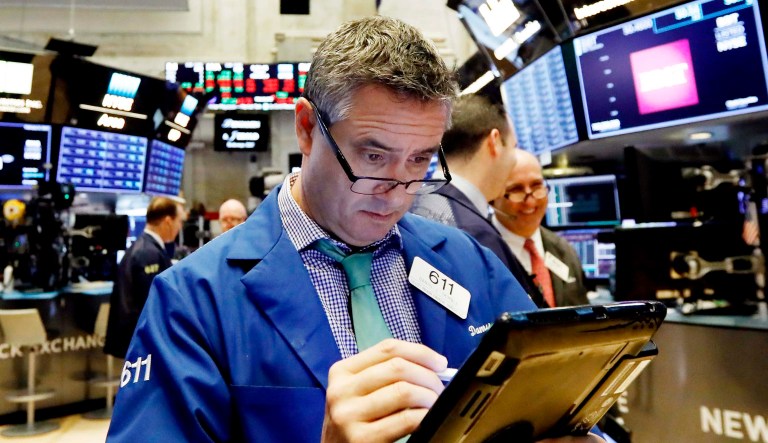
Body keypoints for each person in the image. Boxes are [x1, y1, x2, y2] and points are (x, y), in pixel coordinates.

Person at [107, 17, 604, 443]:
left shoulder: (468, 262)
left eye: (419, 160)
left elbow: (549, 400)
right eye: (372, 155)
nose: (396, 191)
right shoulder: (193, 299)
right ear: (306, 128)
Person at [410, 93, 546, 308]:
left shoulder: (413, 204)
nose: (513, 160)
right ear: (494, 142)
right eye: (513, 146)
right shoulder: (472, 232)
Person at [492, 150, 589, 308]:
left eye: (537, 186)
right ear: (493, 195)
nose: (530, 202)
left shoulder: (564, 250)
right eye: (516, 189)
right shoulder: (482, 252)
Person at [103, 196, 186, 359]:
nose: (180, 227)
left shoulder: (143, 247)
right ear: (168, 221)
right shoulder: (148, 253)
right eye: (179, 221)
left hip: (136, 337)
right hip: (141, 340)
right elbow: (152, 303)